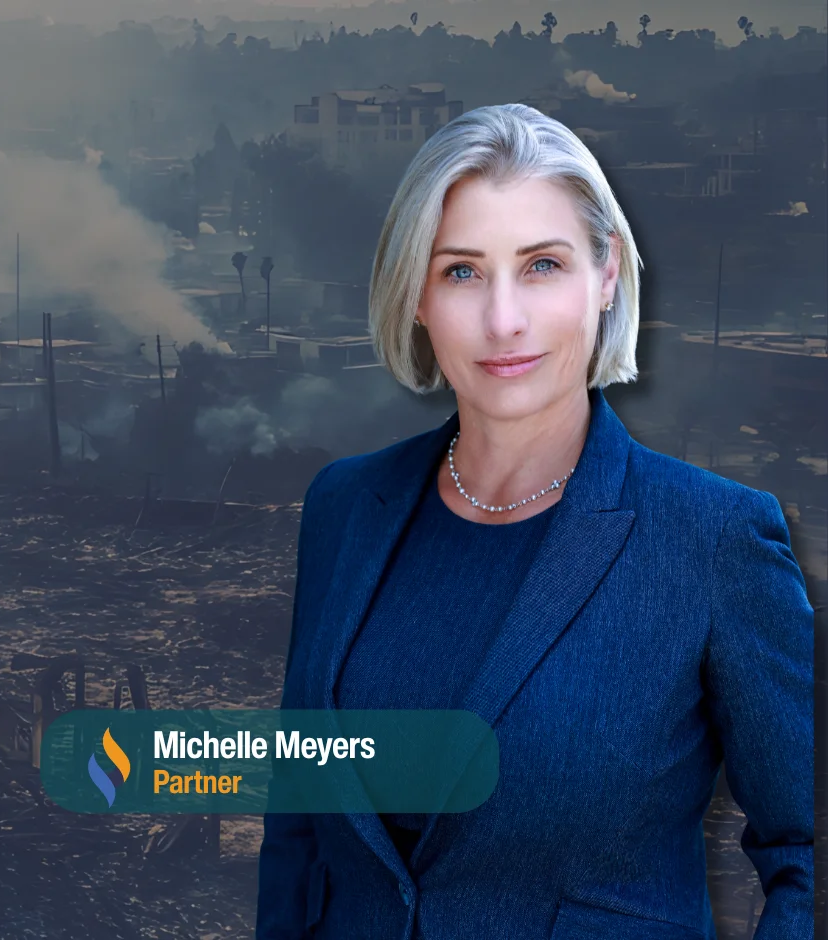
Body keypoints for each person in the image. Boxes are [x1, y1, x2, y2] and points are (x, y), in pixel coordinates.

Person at [255, 103, 814, 938]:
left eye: (543, 265)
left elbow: (807, 854)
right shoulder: (344, 507)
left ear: (607, 273)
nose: (503, 319)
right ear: (415, 294)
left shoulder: (716, 541)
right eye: (461, 271)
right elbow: (300, 827)